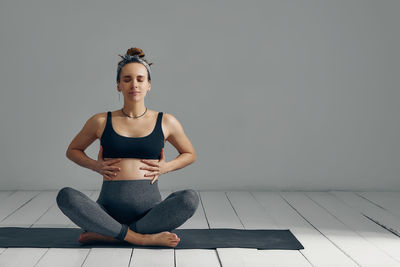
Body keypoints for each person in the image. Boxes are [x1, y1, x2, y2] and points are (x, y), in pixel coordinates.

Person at [56, 47, 199, 248]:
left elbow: (190, 154)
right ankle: (140, 238)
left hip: (150, 214)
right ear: (118, 86)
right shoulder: (100, 121)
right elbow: (73, 150)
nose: (134, 84)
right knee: (66, 196)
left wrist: (166, 167)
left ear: (149, 85)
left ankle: (108, 234)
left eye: (140, 79)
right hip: (106, 212)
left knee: (190, 199)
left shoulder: (166, 121)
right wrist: (95, 166)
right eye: (127, 79)